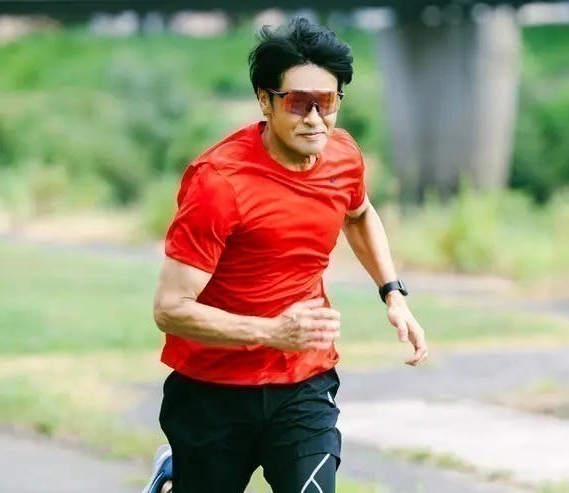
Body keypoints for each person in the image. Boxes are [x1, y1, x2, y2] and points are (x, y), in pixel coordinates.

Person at [144, 17, 428, 493]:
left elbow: (359, 214)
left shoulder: (343, 156)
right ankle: (174, 473)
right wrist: (271, 332)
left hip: (304, 383)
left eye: (327, 102)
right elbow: (170, 310)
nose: (314, 118)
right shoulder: (218, 183)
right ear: (265, 100)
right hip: (212, 391)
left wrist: (393, 294)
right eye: (298, 102)